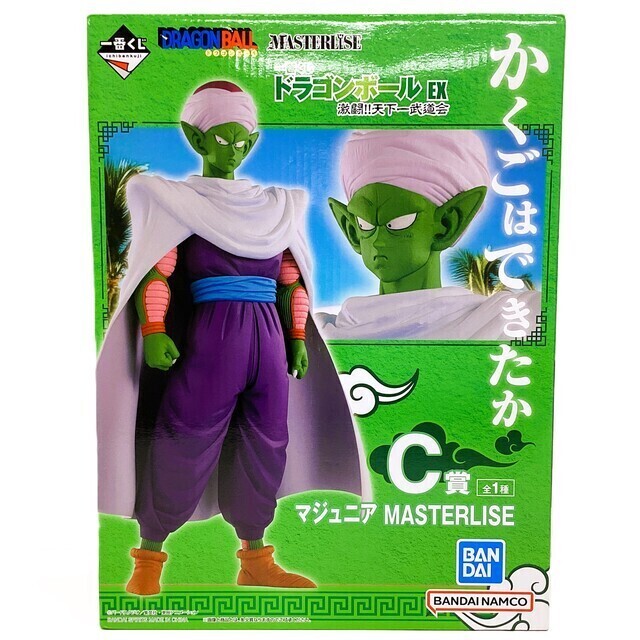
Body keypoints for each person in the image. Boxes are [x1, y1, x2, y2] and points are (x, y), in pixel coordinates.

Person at [96, 81, 368, 595]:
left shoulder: (276, 206)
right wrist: (153, 329)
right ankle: (149, 559)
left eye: (244, 140)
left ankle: (255, 559)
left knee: (266, 442)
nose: (234, 150)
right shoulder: (177, 201)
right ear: (195, 138)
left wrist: (297, 337)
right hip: (210, 339)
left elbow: (291, 278)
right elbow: (157, 270)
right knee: (185, 437)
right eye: (222, 139)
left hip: (268, 341)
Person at [317, 130, 541, 340]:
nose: (378, 241)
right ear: (351, 229)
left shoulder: (513, 319)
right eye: (365, 224)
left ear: (448, 224)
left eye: (398, 223)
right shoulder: (323, 331)